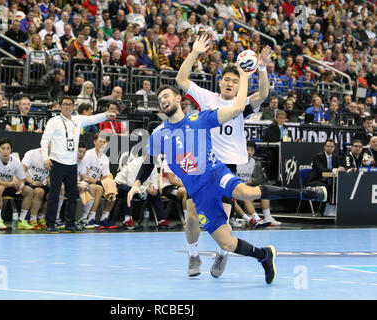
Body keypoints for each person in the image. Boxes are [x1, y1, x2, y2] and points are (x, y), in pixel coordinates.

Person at [127, 81, 327, 283]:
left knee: (246, 193)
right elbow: (148, 162)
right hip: (199, 192)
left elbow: (237, 109)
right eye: (160, 99)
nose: (163, 100)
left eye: (167, 96)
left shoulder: (200, 118)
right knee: (228, 243)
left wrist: (244, 75)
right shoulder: (159, 133)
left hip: (216, 174)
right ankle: (265, 255)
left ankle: (306, 193)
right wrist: (136, 184)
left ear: (179, 99)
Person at [176, 35, 273, 232]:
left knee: (224, 219)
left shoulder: (241, 104)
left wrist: (261, 68)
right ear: (220, 82)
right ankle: (193, 253)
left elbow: (263, 94)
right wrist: (195, 52)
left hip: (226, 164)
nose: (230, 84)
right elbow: (181, 79)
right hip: (203, 162)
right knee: (193, 216)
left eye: (234, 81)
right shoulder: (207, 97)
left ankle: (223, 252)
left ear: (239, 85)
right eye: (226, 80)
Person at [40, 96, 116, 232]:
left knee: (73, 196)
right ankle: (50, 223)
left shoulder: (77, 119)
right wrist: (46, 158)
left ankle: (70, 223)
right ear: (61, 106)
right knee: (54, 195)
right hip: (57, 162)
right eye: (64, 104)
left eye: (70, 104)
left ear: (73, 107)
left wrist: (106, 115)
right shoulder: (54, 121)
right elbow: (45, 140)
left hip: (71, 164)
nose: (67, 107)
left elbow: (93, 119)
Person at [115, 155, 174, 230]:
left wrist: (154, 189)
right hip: (121, 185)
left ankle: (161, 220)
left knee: (156, 193)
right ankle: (127, 220)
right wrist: (146, 189)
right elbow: (130, 183)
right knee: (129, 189)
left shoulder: (152, 164)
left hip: (140, 187)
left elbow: (154, 179)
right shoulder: (135, 164)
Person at [0, 138, 32, 230]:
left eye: (8, 148)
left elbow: (23, 179)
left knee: (29, 190)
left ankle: (21, 221)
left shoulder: (16, 161)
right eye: (3, 148)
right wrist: (10, 184)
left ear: (11, 150)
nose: (5, 151)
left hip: (10, 186)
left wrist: (20, 185)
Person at [234, 141, 279, 227]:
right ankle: (252, 219)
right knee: (244, 196)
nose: (249, 152)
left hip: (244, 189)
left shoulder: (253, 162)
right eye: (247, 150)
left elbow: (249, 179)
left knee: (263, 191)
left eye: (252, 150)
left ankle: (267, 217)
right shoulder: (236, 162)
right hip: (234, 190)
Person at [79, 132, 117, 229]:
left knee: (113, 190)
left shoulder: (105, 159)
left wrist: (110, 187)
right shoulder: (88, 154)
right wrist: (98, 182)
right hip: (84, 182)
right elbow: (85, 176)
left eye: (104, 142)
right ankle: (90, 218)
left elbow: (105, 177)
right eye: (100, 141)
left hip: (96, 184)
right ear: (95, 142)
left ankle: (104, 219)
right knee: (98, 188)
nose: (102, 144)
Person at [21, 146, 51, 230]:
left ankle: (41, 217)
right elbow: (21, 170)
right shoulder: (32, 153)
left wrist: (49, 181)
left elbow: (50, 175)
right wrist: (32, 182)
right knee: (39, 191)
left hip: (42, 184)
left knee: (54, 193)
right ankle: (32, 219)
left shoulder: (55, 157)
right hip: (28, 181)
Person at [159, 157, 187, 226]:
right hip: (168, 188)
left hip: (179, 186)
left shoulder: (183, 160)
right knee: (186, 192)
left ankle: (198, 219)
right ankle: (187, 221)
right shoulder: (168, 161)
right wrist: (186, 186)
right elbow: (172, 181)